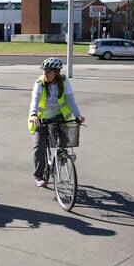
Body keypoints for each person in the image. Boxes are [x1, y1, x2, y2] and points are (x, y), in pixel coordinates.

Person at [28, 57, 86, 188]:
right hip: (40, 119)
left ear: (56, 72)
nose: (45, 74)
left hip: (59, 118)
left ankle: (60, 157)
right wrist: (33, 115)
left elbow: (70, 100)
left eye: (48, 71)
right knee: (38, 148)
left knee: (62, 143)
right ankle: (39, 175)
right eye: (44, 71)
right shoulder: (40, 83)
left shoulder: (65, 82)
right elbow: (35, 100)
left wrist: (78, 115)